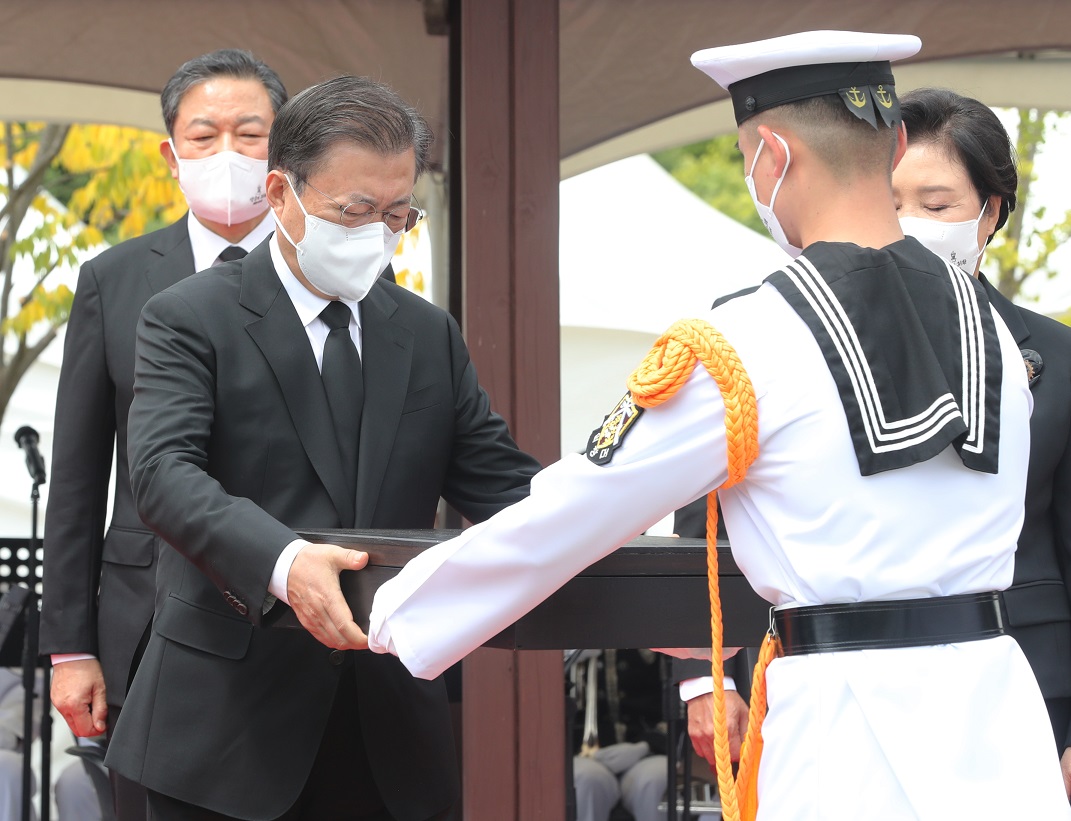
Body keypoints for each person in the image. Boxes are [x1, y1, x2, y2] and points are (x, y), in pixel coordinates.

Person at [362, 30, 1071, 819]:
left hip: (846, 737)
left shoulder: (749, 338)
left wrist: (384, 608)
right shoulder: (999, 332)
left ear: (770, 156)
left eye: (745, 159)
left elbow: (575, 509)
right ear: (894, 142)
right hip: (998, 725)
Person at [104, 74, 541, 821]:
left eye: (397, 213)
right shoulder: (189, 317)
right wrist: (283, 562)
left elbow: (503, 483)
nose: (377, 232)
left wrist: (623, 539)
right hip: (223, 731)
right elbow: (163, 475)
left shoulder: (425, 332)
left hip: (389, 730)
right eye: (355, 211)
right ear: (281, 195)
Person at [39, 49, 288, 821]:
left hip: (287, 601)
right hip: (146, 610)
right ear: (169, 151)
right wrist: (71, 646)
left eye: (250, 134)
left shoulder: (327, 274)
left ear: (285, 149)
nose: (227, 154)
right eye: (204, 134)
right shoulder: (114, 278)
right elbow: (78, 477)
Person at [893, 86, 1071, 798]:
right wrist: (707, 676)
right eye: (888, 202)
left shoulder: (1055, 357)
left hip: (1028, 681)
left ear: (989, 212)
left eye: (934, 207)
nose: (907, 224)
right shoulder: (795, 338)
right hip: (847, 677)